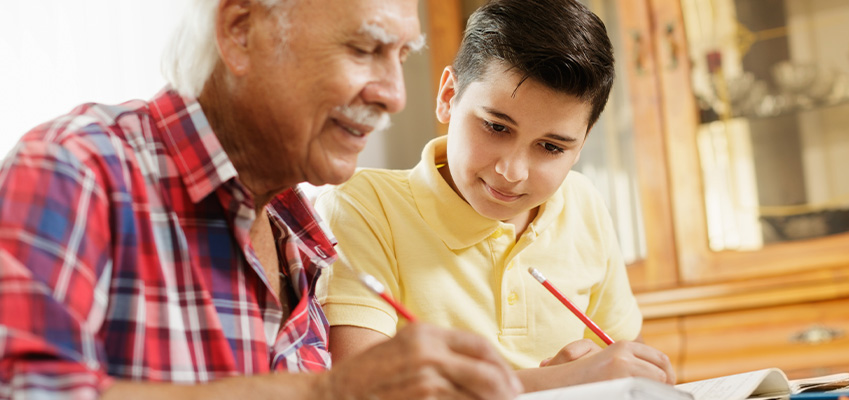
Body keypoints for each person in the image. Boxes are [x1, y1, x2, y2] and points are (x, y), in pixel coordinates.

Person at [0, 0, 524, 399]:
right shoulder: (75, 167)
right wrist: (330, 391)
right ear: (240, 33)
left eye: (402, 57)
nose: (394, 94)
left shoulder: (299, 236)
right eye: (366, 49)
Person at [314, 0, 676, 393]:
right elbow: (363, 390)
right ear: (449, 95)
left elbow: (624, 365)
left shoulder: (583, 202)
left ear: (583, 144)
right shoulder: (363, 206)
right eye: (496, 127)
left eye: (552, 148)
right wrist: (558, 381)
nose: (512, 172)